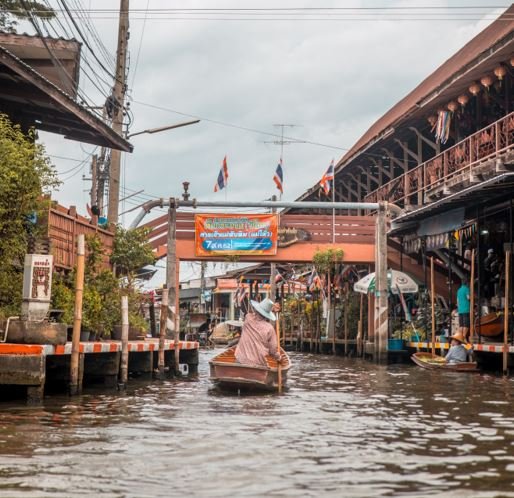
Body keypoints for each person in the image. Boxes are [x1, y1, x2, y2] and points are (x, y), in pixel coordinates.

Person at [235, 298, 281, 367]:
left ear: (257, 310)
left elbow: (252, 314)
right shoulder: (269, 328)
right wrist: (278, 357)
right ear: (267, 315)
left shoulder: (248, 318)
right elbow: (272, 350)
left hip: (240, 359)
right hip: (257, 363)